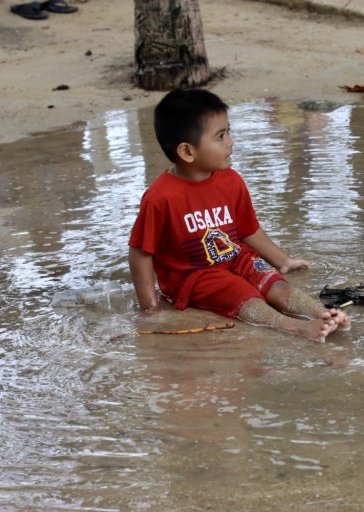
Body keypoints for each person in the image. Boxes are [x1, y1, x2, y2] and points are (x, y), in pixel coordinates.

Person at [128, 89, 349, 341]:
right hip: (196, 275)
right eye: (220, 137)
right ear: (187, 152)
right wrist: (150, 306)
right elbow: (140, 252)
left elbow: (248, 230)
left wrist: (283, 260)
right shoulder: (161, 197)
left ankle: (322, 314)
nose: (230, 142)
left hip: (236, 257)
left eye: (228, 132)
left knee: (274, 283)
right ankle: (294, 327)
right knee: (243, 295)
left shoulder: (231, 181)